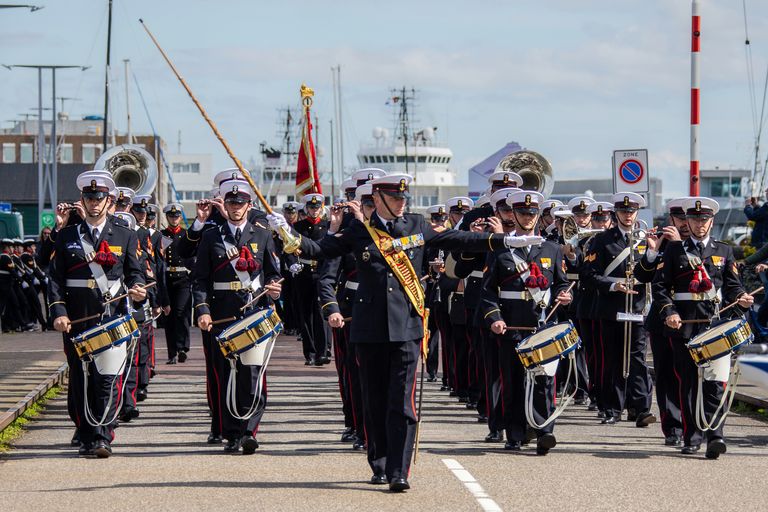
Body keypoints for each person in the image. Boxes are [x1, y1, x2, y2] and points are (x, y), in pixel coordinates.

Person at [267, 173, 541, 492]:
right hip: (369, 329)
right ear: (379, 199)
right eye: (396, 199)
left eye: (404, 198)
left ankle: (400, 469)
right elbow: (319, 250)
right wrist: (285, 231)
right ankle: (380, 462)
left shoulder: (415, 226)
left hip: (407, 328)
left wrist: (504, 240)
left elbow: (455, 239)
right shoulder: (359, 230)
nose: (402, 203)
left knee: (403, 403)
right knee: (374, 401)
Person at [48, 170, 147, 458]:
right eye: (89, 197)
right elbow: (55, 279)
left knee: (107, 377)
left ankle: (103, 434)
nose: (94, 202)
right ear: (83, 200)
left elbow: (135, 272)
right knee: (81, 379)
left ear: (109, 201)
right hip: (77, 319)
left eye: (99, 198)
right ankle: (86, 431)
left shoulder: (125, 235)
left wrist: (139, 289)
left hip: (111, 318)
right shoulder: (67, 236)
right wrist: (58, 313)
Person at [654, 197, 752, 458]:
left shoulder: (724, 250)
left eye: (704, 219)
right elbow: (661, 287)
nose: (700, 224)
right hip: (683, 325)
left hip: (714, 325)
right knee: (688, 384)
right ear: (687, 221)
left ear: (712, 221)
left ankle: (715, 436)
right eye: (695, 219)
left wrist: (741, 297)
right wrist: (669, 312)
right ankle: (691, 437)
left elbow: (731, 285)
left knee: (715, 382)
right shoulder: (675, 251)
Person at [192, 178, 282, 453]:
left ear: (248, 205)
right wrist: (203, 311)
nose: (235, 207)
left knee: (253, 373)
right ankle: (231, 432)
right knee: (226, 375)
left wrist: (275, 289)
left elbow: (274, 271)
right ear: (225, 205)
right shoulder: (211, 236)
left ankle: (249, 430)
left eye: (240, 203)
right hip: (222, 314)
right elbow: (200, 280)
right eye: (231, 202)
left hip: (254, 313)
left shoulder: (263, 234)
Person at [482, 190, 572, 454]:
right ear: (514, 215)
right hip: (511, 325)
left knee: (545, 383)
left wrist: (564, 295)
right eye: (523, 213)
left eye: (532, 214)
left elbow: (561, 283)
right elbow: (488, 291)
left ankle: (545, 432)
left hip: (541, 326)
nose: (528, 218)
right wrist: (494, 318)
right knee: (513, 383)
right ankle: (515, 433)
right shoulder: (500, 250)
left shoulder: (551, 249)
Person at [583, 192, 656, 427]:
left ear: (636, 213)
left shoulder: (646, 239)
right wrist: (613, 285)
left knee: (637, 359)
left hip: (637, 306)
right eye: (624, 211)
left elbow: (655, 272)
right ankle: (612, 408)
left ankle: (640, 407)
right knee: (612, 360)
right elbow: (589, 274)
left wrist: (653, 253)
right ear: (616, 213)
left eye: (632, 211)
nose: (628, 215)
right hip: (610, 307)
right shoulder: (602, 240)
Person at [634, 197, 688, 446]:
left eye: (691, 219)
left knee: (691, 377)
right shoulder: (662, 243)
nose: (686, 224)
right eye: (680, 219)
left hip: (693, 317)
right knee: (667, 375)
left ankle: (693, 426)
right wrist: (653, 251)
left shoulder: (700, 245)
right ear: (672, 220)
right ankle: (673, 429)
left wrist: (679, 246)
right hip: (663, 320)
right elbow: (642, 276)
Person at [161, 203, 193, 364]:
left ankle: (182, 348)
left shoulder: (187, 235)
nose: (174, 219)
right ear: (167, 217)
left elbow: (193, 256)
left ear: (181, 217)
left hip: (183, 278)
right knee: (169, 316)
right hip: (167, 278)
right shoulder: (161, 235)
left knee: (181, 312)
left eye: (177, 216)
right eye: (171, 216)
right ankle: (172, 353)